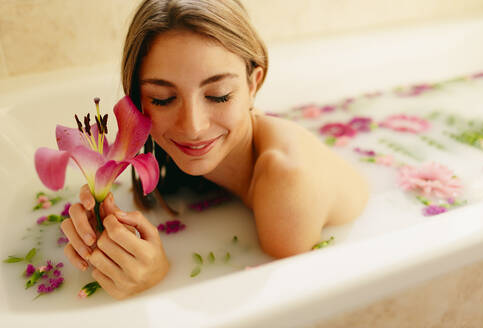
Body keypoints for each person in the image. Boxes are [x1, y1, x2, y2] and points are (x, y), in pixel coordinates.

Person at [61, 0, 369, 300]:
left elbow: (282, 313)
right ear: (139, 102)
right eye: (163, 99)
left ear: (253, 85)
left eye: (219, 95)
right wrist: (106, 225)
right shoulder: (187, 152)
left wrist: (160, 281)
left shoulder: (287, 185)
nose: (193, 126)